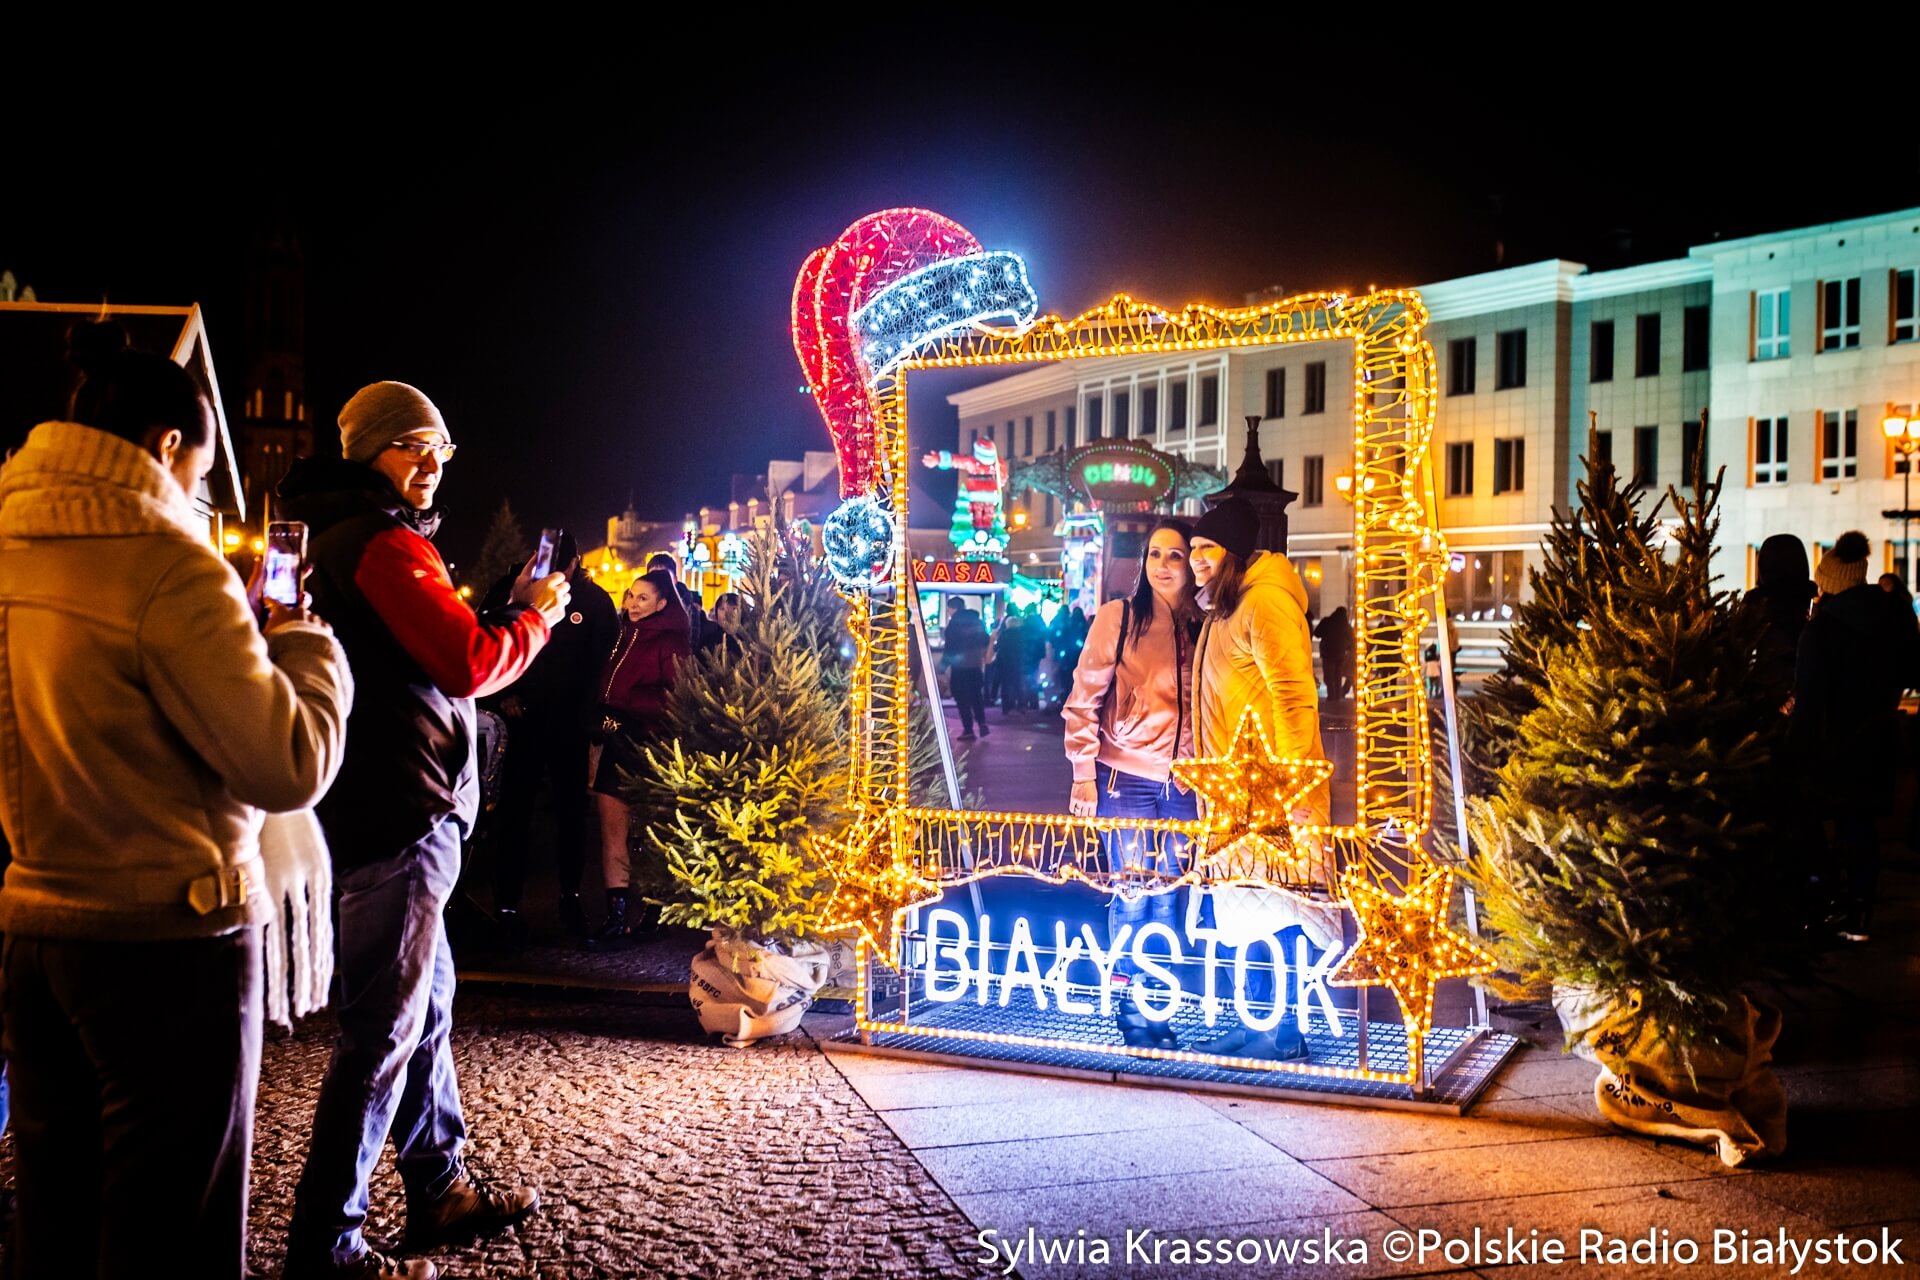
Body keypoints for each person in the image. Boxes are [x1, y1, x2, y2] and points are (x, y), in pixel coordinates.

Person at [0, 321, 352, 1279]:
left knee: (54, 1225)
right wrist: (304, 642)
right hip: (169, 939)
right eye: (197, 475)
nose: (198, 495)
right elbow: (287, 760)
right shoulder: (165, 562)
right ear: (165, 448)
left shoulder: (11, 534)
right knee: (176, 1235)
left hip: (38, 928)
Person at [279, 382, 569, 1280]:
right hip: (401, 811)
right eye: (410, 444)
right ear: (367, 452)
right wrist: (535, 618)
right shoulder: (383, 544)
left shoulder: (336, 539)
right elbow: (468, 662)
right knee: (383, 1031)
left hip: (371, 803)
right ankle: (328, 1241)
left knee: (428, 1007)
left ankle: (440, 1186)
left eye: (440, 445)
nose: (431, 460)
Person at [1187, 497, 1333, 1061]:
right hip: (1237, 794)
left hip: (1273, 794)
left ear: (1235, 553)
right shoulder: (1230, 605)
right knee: (1247, 910)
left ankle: (1283, 1028)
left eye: (1208, 549)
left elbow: (1295, 696)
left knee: (1282, 908)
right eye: (1195, 548)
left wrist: (1292, 783)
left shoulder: (1265, 603)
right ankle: (1255, 1020)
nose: (1198, 559)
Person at [1062, 519, 1201, 1050]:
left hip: (1185, 784)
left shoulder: (1203, 622)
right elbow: (1083, 698)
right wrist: (1083, 774)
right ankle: (1128, 1004)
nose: (1164, 565)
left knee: (1170, 896)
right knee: (1131, 892)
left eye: (1176, 555)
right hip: (1126, 779)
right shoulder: (1118, 617)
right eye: (1155, 554)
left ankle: (1158, 1008)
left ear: (1191, 564)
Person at [482, 530, 619, 944]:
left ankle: (570, 897)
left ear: (575, 564)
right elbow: (486, 637)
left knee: (570, 815)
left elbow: (606, 661)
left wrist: (589, 712)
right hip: (521, 721)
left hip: (568, 723)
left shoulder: (593, 601)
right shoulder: (510, 591)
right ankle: (506, 904)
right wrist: (506, 694)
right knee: (513, 814)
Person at [1792, 531, 1915, 945]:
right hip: (1877, 736)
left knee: (1820, 822)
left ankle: (1830, 904)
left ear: (1829, 581)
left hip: (1832, 741)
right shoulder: (1892, 617)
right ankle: (1859, 911)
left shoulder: (1822, 629)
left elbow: (1809, 698)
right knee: (1861, 824)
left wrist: (1799, 743)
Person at [585, 569, 692, 948]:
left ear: (663, 603)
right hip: (616, 742)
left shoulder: (671, 642)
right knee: (611, 830)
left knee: (648, 836)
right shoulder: (624, 634)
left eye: (643, 598)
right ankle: (615, 917)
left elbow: (677, 696)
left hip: (648, 745)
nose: (632, 603)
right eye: (631, 595)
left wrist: (626, 708)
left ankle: (651, 912)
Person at [942, 598, 991, 740]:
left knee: (962, 698)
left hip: (959, 666)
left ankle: (968, 730)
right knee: (976, 696)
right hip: (975, 664)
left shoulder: (953, 624)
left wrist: (944, 665)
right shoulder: (977, 622)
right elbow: (985, 640)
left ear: (953, 608)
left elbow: (950, 647)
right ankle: (982, 723)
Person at [648, 551, 704, 645]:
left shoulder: (689, 609)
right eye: (653, 575)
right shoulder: (640, 606)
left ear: (675, 579)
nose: (658, 580)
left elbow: (691, 645)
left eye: (664, 576)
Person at [1316, 605, 1354, 700]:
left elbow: (1317, 633)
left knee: (1329, 675)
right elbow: (1351, 641)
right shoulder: (1347, 627)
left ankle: (1331, 694)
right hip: (1340, 654)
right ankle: (1337, 695)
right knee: (1338, 675)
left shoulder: (1327, 622)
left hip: (1327, 653)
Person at [993, 610, 1028, 712]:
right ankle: (1021, 705)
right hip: (1017, 661)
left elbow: (998, 647)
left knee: (1005, 685)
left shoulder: (1004, 634)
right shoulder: (1021, 635)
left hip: (1005, 662)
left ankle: (1006, 707)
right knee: (1018, 684)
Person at [697, 590, 744, 658]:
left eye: (733, 609)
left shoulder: (747, 641)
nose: (727, 613)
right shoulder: (708, 641)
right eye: (722, 609)